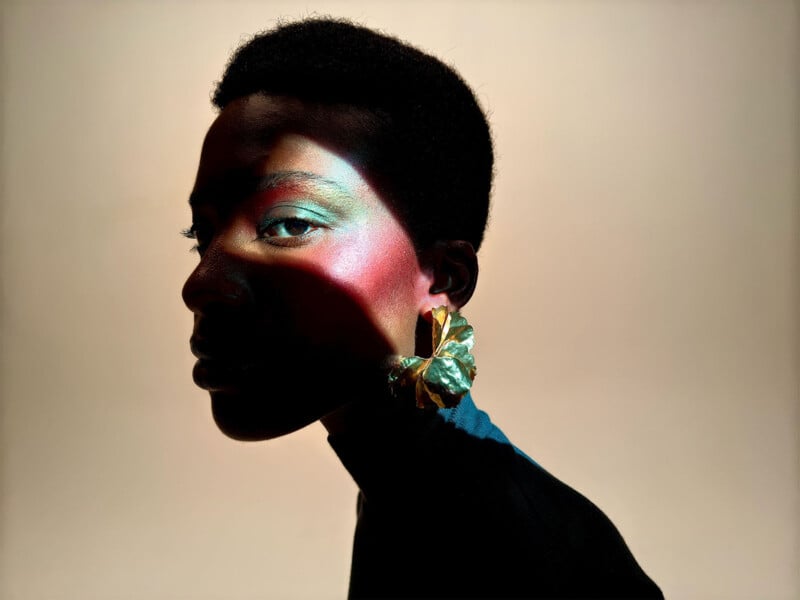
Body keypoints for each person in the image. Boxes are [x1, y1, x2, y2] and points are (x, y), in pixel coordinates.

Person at [181, 16, 664, 599]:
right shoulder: (416, 492)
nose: (202, 283)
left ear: (442, 276)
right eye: (201, 235)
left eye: (289, 224)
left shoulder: (513, 554)